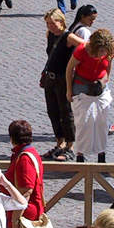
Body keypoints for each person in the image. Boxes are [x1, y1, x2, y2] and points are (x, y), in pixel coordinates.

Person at [66, 28, 114, 164]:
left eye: (105, 51)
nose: (103, 54)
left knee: (102, 122)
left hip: (100, 86)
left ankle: (101, 155)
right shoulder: (82, 51)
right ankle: (80, 155)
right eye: (100, 51)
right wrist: (69, 90)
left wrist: (107, 80)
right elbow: (70, 68)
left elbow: (109, 65)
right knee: (84, 122)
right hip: (82, 86)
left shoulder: (110, 50)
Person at [41, 9, 79, 162]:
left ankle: (70, 146)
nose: (51, 26)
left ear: (61, 21)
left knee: (66, 113)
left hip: (63, 79)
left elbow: (86, 46)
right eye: (48, 23)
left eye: (53, 23)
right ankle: (60, 143)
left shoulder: (69, 37)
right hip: (50, 78)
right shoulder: (50, 35)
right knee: (52, 111)